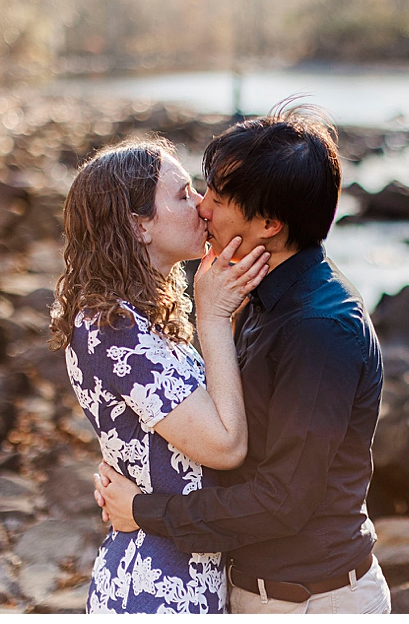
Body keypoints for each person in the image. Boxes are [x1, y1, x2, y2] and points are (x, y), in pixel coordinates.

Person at [95, 109, 391, 614]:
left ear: (270, 224)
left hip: (314, 602)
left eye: (218, 197)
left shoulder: (318, 329)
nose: (202, 208)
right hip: (262, 593)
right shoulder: (256, 293)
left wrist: (145, 511)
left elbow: (282, 501)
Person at [53, 139, 274, 613]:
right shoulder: (110, 329)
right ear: (138, 226)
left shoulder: (143, 318)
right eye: (182, 195)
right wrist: (212, 316)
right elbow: (225, 445)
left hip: (191, 575)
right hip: (153, 590)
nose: (202, 206)